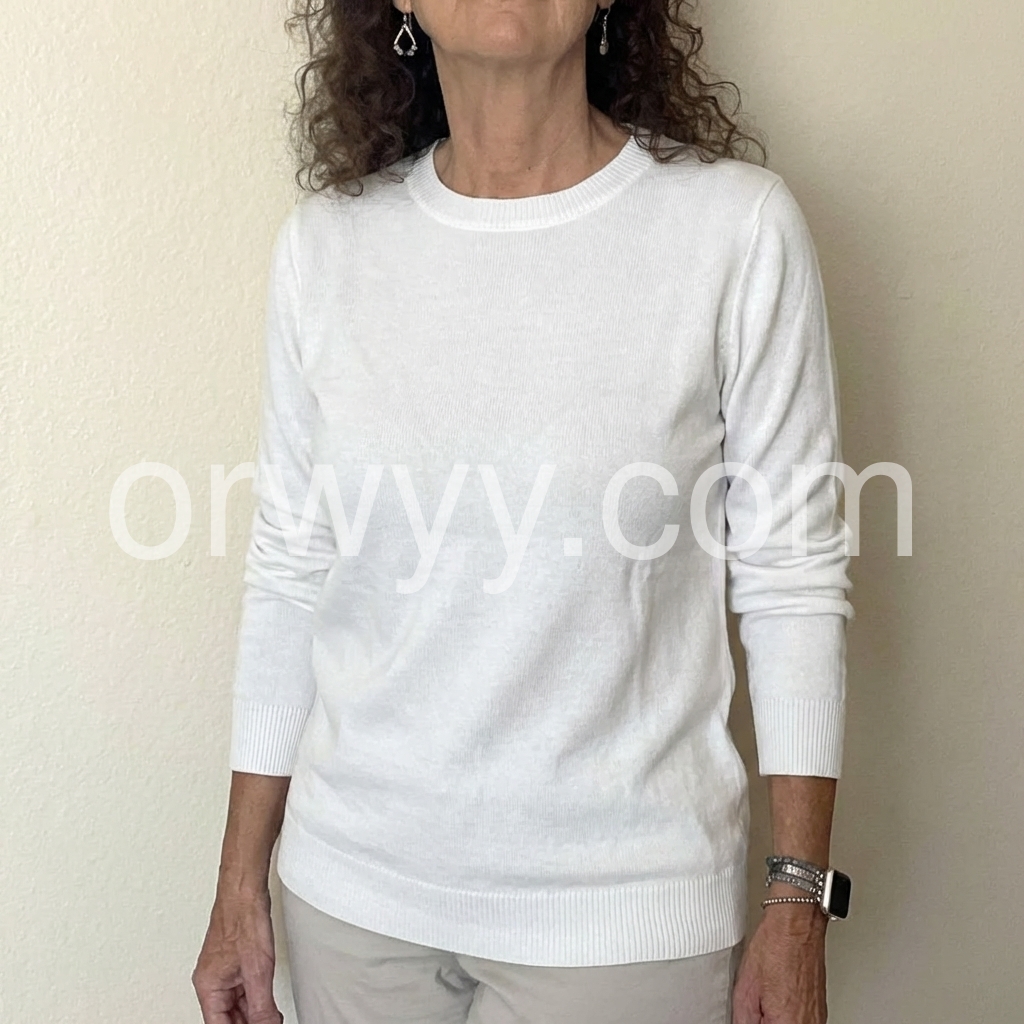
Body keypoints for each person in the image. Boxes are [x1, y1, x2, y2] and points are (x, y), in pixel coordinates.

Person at [192, 0, 855, 1020]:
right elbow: (290, 569)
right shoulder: (328, 246)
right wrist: (240, 884)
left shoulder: (733, 228)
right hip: (352, 898)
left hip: (621, 914)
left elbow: (793, 578)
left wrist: (796, 902)